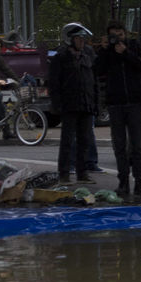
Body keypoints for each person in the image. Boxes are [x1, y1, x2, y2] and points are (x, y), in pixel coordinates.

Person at [94, 20, 141, 197]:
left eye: (120, 35)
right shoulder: (107, 52)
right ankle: (123, 183)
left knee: (137, 146)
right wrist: (104, 50)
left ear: (125, 33)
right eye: (114, 35)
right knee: (119, 146)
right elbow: (97, 70)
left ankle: (140, 183)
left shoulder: (134, 46)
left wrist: (125, 52)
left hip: (135, 102)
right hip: (115, 103)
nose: (117, 39)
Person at [48, 22, 98, 183]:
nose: (82, 41)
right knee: (67, 141)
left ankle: (82, 173)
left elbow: (93, 81)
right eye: (78, 38)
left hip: (86, 103)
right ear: (70, 39)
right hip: (69, 104)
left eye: (83, 38)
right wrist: (57, 104)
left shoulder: (87, 56)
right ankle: (64, 173)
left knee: (85, 140)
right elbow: (54, 83)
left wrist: (95, 103)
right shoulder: (61, 58)